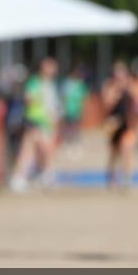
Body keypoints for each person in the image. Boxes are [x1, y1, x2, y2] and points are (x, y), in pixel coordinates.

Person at [9, 56, 60, 192]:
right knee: (35, 149)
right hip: (35, 120)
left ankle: (38, 174)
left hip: (46, 122)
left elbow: (53, 106)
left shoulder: (50, 84)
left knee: (38, 149)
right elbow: (28, 99)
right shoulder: (35, 82)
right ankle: (30, 176)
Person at [102, 60, 136, 189]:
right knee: (114, 153)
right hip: (112, 124)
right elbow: (107, 104)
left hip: (126, 123)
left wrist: (128, 87)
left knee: (127, 150)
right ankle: (111, 175)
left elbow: (137, 99)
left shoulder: (129, 85)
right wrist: (116, 91)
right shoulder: (109, 86)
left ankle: (127, 177)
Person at [60, 65, 88, 144]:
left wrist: (84, 109)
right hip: (67, 109)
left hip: (77, 109)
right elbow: (63, 97)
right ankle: (67, 140)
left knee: (75, 125)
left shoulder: (80, 84)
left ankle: (74, 140)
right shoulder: (66, 83)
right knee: (68, 125)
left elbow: (83, 98)